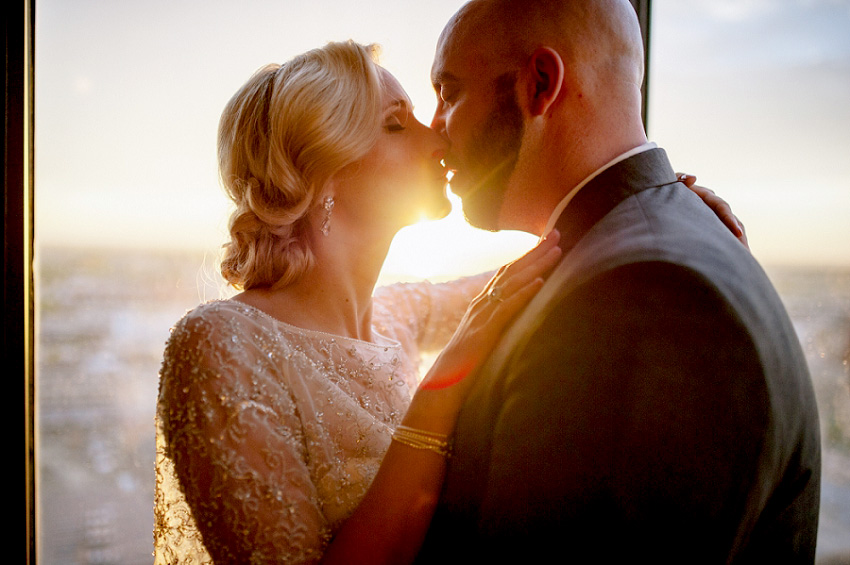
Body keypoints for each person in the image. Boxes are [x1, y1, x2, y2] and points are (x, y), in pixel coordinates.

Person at [153, 40, 747, 564]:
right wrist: (442, 391)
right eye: (396, 123)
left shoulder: (398, 316)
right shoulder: (219, 345)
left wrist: (665, 208)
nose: (438, 134)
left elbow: (548, 265)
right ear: (323, 174)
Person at [417, 1, 821, 563]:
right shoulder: (637, 249)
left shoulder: (646, 298)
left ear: (540, 84)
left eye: (449, 91)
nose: (434, 130)